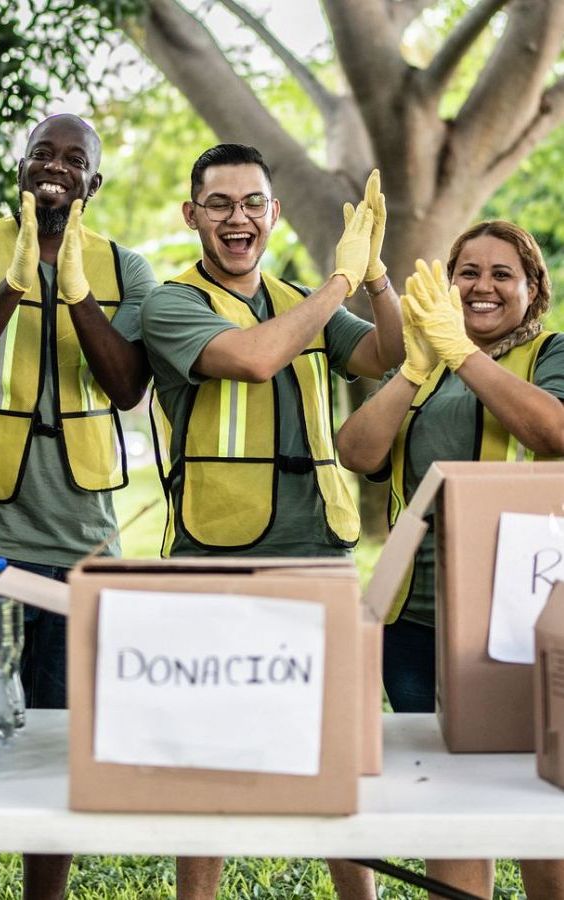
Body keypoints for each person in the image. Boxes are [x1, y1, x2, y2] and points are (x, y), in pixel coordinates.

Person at [140, 144, 404, 899]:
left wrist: (377, 275)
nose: (237, 219)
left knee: (331, 744)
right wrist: (341, 282)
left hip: (317, 552)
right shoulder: (171, 303)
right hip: (212, 558)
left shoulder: (301, 296)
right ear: (191, 215)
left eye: (252, 202)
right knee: (209, 753)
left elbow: (383, 352)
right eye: (218, 204)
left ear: (273, 213)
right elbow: (255, 358)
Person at [0, 112, 155, 900]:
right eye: (42, 154)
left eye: (73, 159)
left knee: (64, 737)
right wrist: (14, 284)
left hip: (83, 535)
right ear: (20, 167)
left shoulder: (127, 268)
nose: (55, 167)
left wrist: (78, 290)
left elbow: (126, 386)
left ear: (95, 181)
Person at [336, 221, 564, 899]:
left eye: (503, 274)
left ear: (532, 289)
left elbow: (551, 430)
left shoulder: (551, 352)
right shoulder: (427, 365)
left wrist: (461, 352)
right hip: (419, 622)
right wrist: (415, 366)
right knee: (453, 813)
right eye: (468, 272)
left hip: (524, 622)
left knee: (537, 799)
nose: (483, 286)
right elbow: (359, 452)